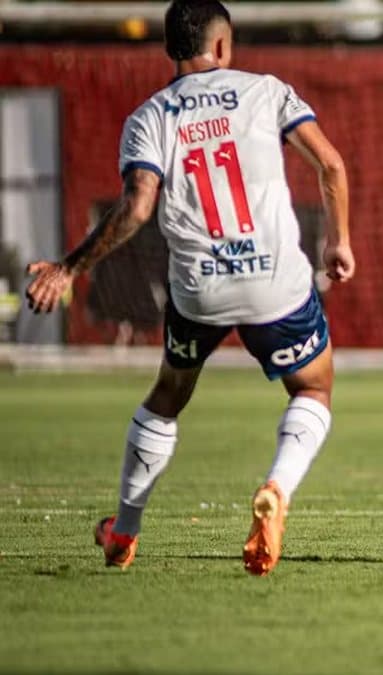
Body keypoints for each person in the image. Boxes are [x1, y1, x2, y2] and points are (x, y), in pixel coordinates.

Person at [24, 0, 355, 576]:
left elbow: (136, 208)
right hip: (275, 281)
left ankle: (124, 531)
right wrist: (337, 242)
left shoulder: (149, 117)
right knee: (314, 390)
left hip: (199, 289)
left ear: (171, 50)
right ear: (223, 46)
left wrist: (70, 267)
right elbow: (330, 167)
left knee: (168, 397)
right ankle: (277, 488)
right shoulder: (268, 91)